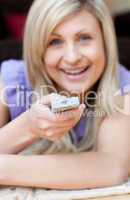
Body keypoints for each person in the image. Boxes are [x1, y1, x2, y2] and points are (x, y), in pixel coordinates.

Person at [0, 0, 130, 198]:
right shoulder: (9, 81)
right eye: (55, 42)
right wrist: (27, 126)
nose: (72, 57)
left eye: (84, 38)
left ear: (105, 41)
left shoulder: (122, 89)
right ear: (38, 49)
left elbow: (112, 166)